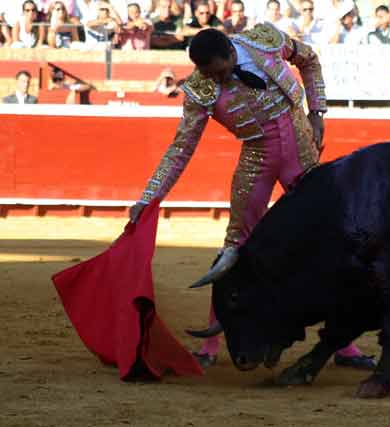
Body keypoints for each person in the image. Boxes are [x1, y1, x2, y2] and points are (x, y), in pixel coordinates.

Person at [128, 25, 375, 371]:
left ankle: (343, 345)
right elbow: (180, 149)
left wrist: (317, 112)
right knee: (235, 248)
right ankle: (211, 345)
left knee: (328, 241)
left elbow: (311, 60)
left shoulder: (266, 40)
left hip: (302, 150)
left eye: (221, 70)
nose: (218, 79)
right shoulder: (201, 89)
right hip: (257, 157)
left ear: (231, 51)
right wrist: (149, 197)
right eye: (209, 74)